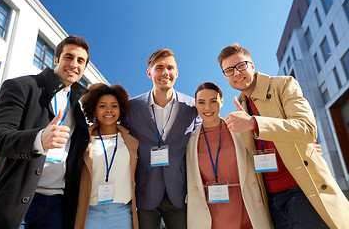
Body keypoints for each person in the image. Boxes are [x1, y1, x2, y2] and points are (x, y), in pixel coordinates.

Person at [218, 43, 349, 229]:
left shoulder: (283, 85)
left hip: (300, 190)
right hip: (269, 199)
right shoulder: (240, 106)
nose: (236, 73)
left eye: (241, 66)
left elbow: (307, 128)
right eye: (229, 71)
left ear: (252, 65)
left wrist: (254, 123)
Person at [0, 36, 91, 229]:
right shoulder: (21, 87)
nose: (74, 64)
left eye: (80, 61)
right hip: (15, 199)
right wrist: (38, 140)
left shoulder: (79, 109)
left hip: (56, 205)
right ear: (56, 59)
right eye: (68, 57)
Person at [122, 49, 201, 229]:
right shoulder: (131, 108)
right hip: (145, 192)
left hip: (180, 193)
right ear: (149, 73)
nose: (165, 72)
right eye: (159, 68)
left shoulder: (192, 107)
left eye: (170, 68)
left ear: (177, 73)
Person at [186, 82, 273, 229]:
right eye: (201, 102)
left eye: (213, 101)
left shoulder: (239, 129)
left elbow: (267, 146)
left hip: (247, 207)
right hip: (211, 215)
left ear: (222, 101)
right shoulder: (190, 141)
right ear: (196, 104)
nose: (207, 108)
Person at [74, 83, 138, 229]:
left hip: (122, 214)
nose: (109, 109)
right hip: (89, 213)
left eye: (114, 106)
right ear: (94, 110)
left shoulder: (131, 140)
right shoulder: (83, 138)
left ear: (120, 110)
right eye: (102, 105)